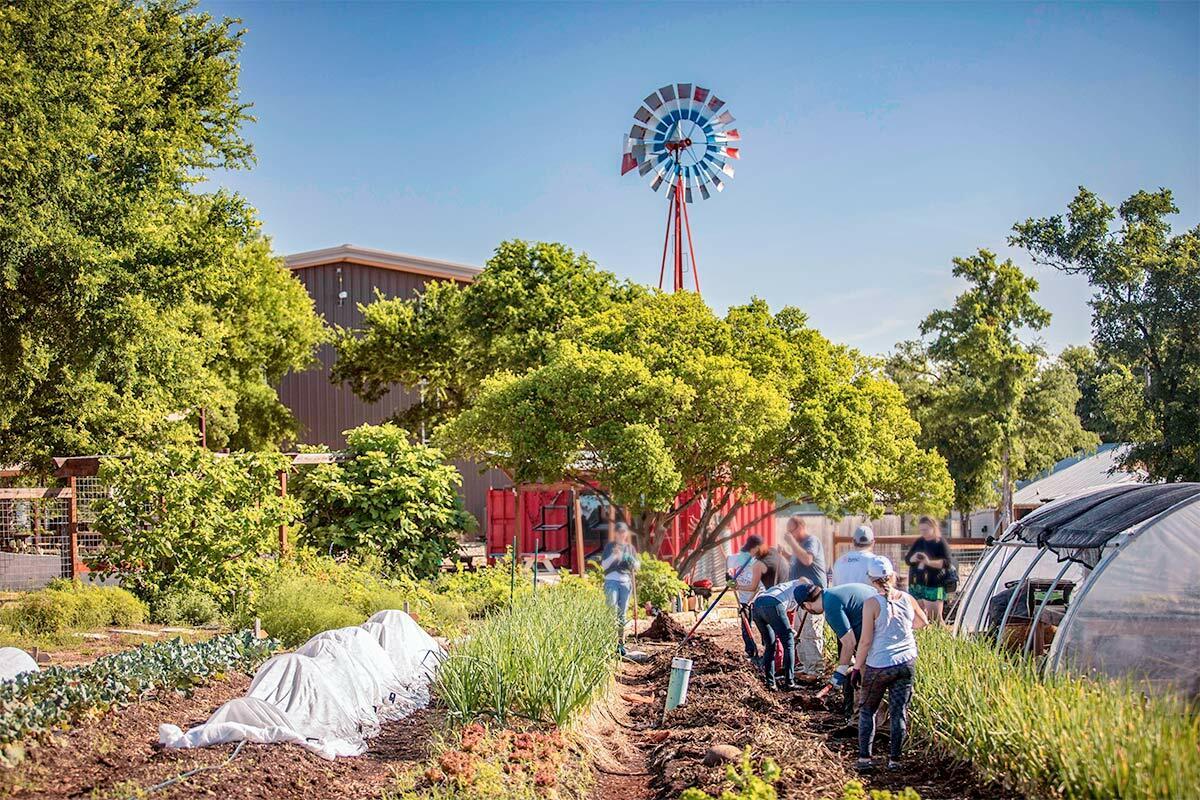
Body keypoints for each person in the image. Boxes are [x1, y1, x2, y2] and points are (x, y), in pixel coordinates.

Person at [853, 556, 928, 772]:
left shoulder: (871, 603)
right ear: (892, 576)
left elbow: (866, 640)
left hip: (880, 664)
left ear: (871, 580)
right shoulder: (907, 598)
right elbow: (923, 622)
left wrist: (857, 668)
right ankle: (895, 761)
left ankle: (865, 759)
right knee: (899, 711)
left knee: (867, 710)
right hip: (906, 662)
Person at [797, 581, 878, 724]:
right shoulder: (834, 593)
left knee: (867, 683)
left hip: (875, 640)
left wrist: (840, 670)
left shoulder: (831, 607)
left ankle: (864, 724)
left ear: (806, 605)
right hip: (887, 634)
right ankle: (876, 722)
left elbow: (849, 642)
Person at [779, 516, 827, 679]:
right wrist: (785, 553)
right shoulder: (799, 546)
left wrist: (791, 542)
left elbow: (807, 560)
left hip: (813, 597)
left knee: (811, 632)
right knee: (800, 633)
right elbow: (796, 561)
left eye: (791, 530)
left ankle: (816, 670)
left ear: (800, 527)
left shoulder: (811, 541)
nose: (788, 534)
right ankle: (807, 667)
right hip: (801, 598)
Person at [750, 578, 813, 690]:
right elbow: (779, 615)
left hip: (757, 605)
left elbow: (781, 620)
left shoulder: (786, 587)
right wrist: (790, 634)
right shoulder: (799, 591)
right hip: (773, 603)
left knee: (770, 645)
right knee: (789, 643)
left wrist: (791, 631)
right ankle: (790, 682)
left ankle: (771, 683)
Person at [601, 522, 640, 655]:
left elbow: (637, 566)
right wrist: (614, 556)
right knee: (611, 611)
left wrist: (630, 560)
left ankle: (620, 644)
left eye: (623, 532)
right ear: (615, 533)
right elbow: (604, 566)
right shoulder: (610, 547)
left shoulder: (630, 548)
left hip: (625, 582)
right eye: (619, 532)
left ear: (626, 533)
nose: (621, 534)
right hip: (611, 581)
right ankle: (608, 642)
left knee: (622, 614)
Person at [904, 516, 952, 624]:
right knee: (917, 618)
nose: (923, 532)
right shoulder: (919, 542)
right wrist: (914, 558)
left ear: (933, 527)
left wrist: (928, 562)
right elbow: (908, 559)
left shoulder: (940, 543)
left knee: (936, 619)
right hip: (916, 583)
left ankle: (943, 639)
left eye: (925, 530)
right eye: (921, 530)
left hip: (934, 584)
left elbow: (947, 563)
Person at [726, 535, 766, 662]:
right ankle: (750, 651)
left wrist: (749, 601)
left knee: (763, 626)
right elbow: (728, 569)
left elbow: (757, 588)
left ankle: (768, 650)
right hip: (743, 598)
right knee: (745, 625)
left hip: (759, 598)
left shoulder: (759, 564)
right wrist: (728, 577)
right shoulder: (736, 559)